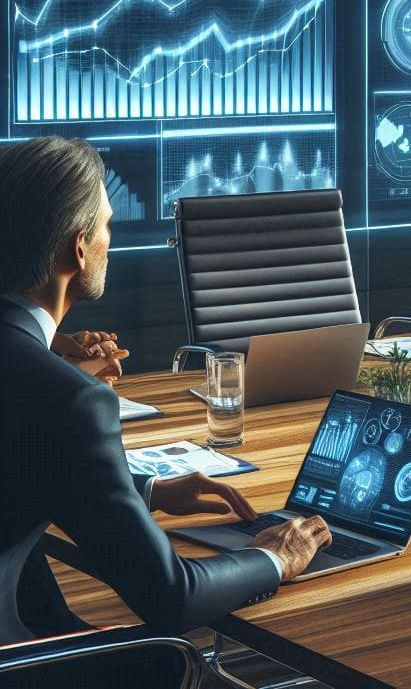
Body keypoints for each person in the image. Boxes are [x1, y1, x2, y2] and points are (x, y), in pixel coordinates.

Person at [0, 136, 332, 645]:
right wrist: (275, 557)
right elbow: (171, 597)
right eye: (108, 224)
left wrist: (147, 489)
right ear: (79, 245)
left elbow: (22, 463)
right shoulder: (69, 398)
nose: (114, 237)